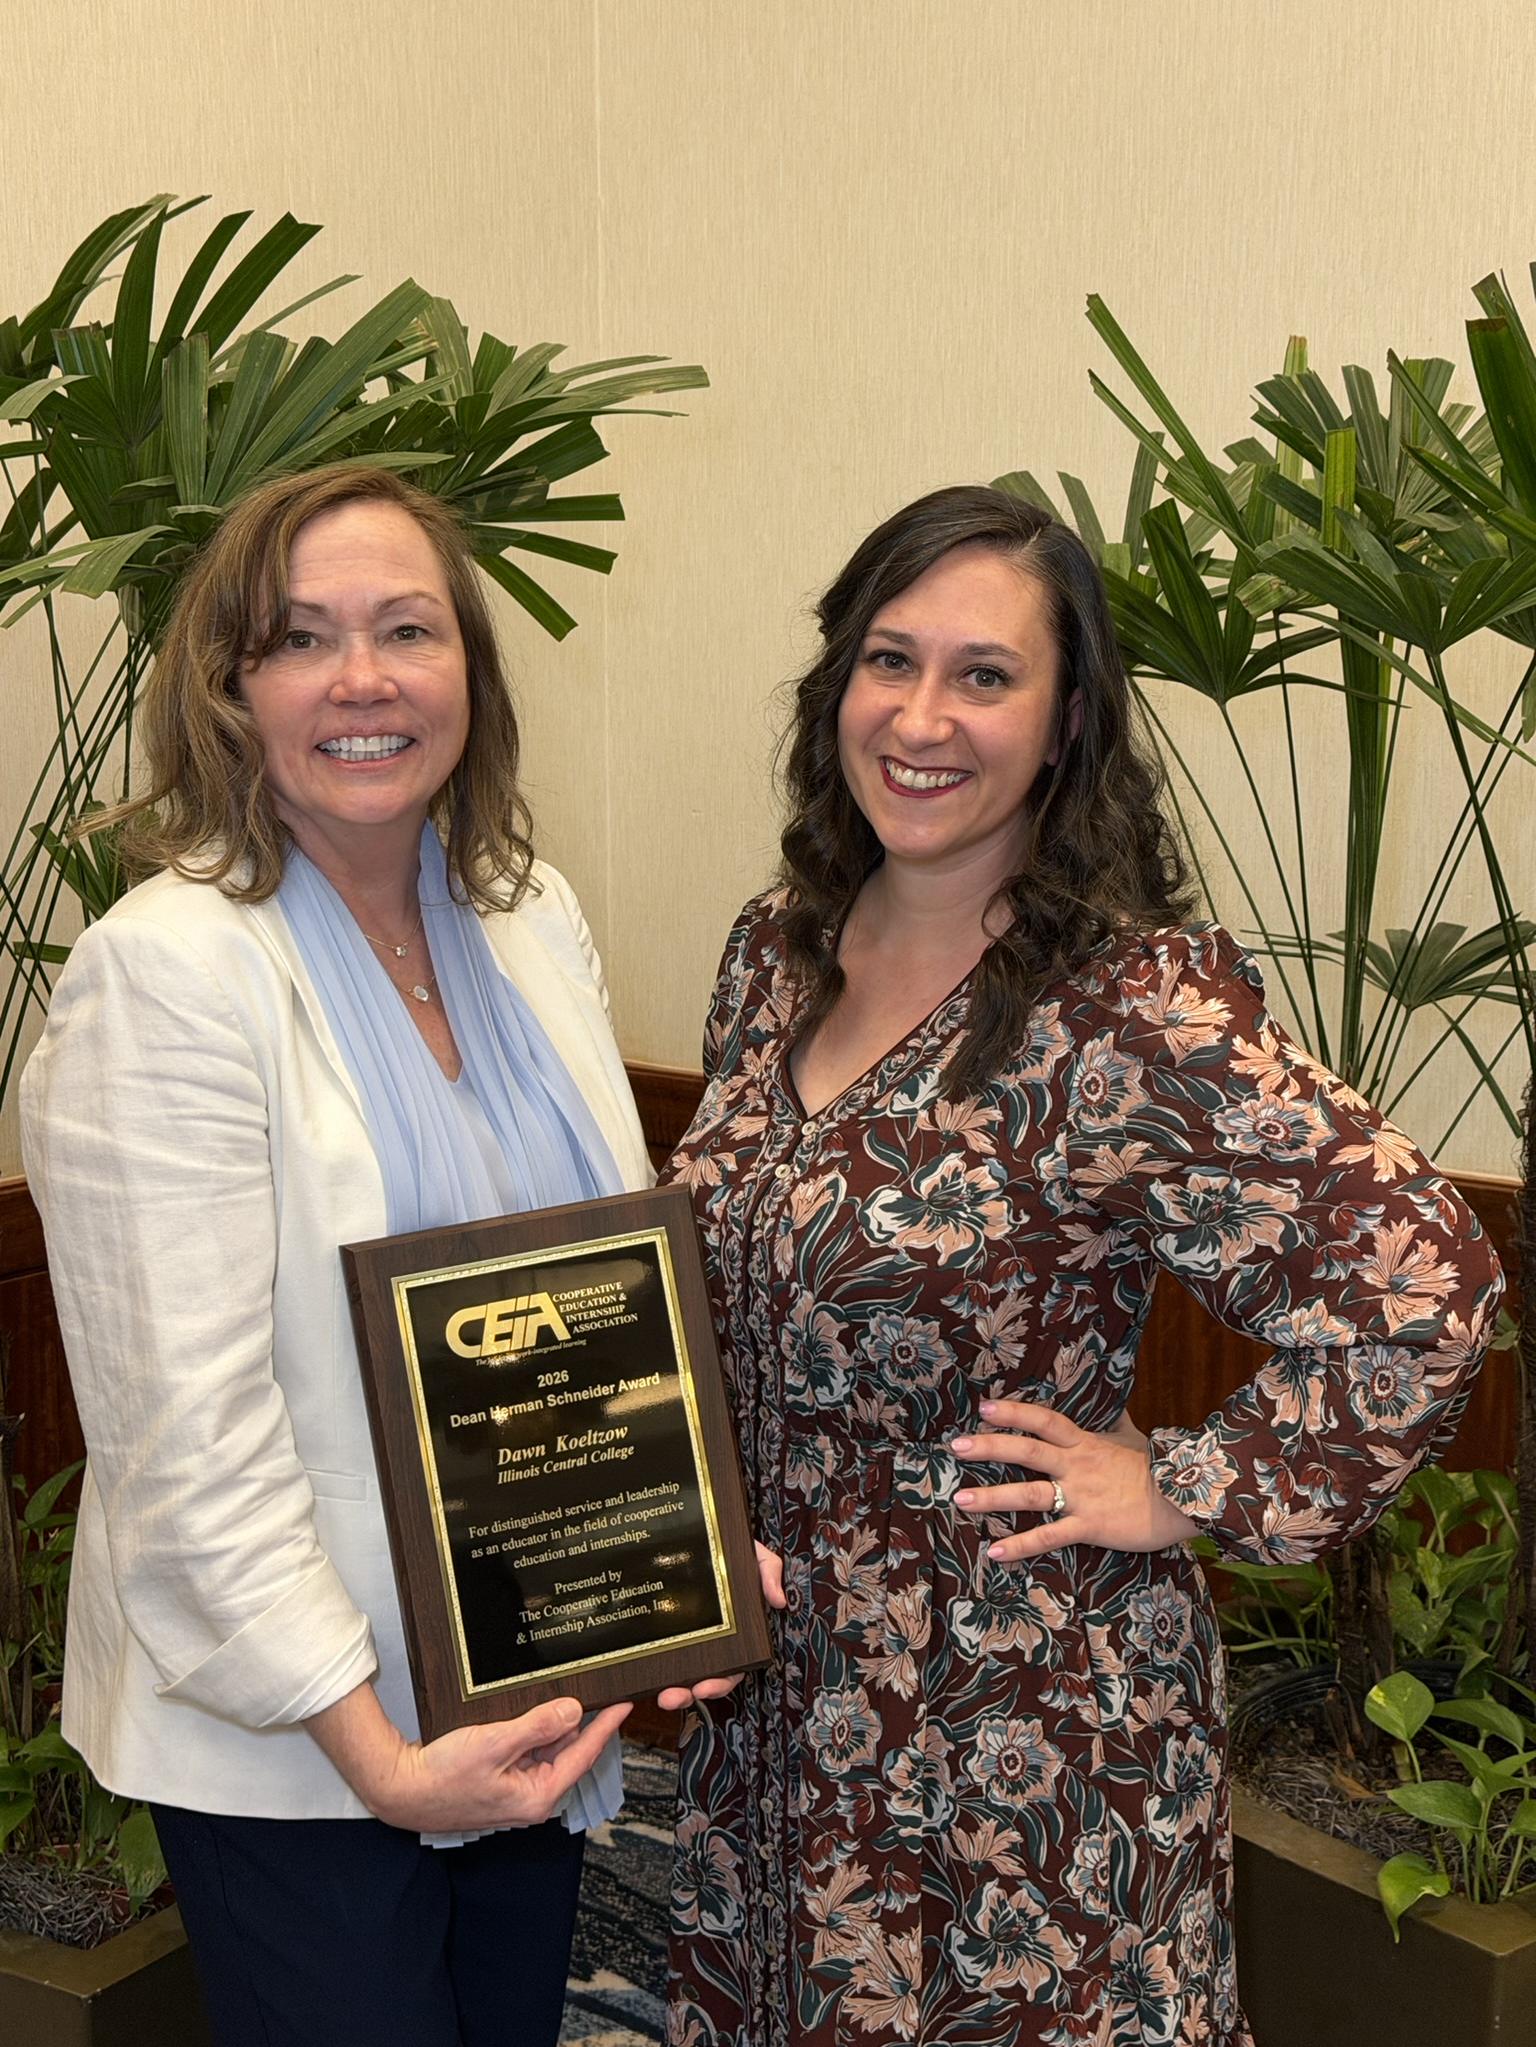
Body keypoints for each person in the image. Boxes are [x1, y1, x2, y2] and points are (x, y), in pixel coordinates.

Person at [661, 486, 1504, 2047]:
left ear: (1064, 724)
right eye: (889, 660)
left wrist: (1183, 1481)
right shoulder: (773, 954)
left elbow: (1427, 1289)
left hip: (1017, 1729)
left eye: (984, 675)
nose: (923, 717)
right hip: (774, 1706)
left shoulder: (1126, 1009)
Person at [20, 465, 646, 2047]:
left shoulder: (529, 918)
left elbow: (594, 1302)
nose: (363, 679)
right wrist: (380, 1758)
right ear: (228, 689)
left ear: (469, 671)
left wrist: (674, 1547)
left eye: (407, 629)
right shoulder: (162, 974)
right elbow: (185, 1444)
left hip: (529, 1683)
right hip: (303, 1746)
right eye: (301, 639)